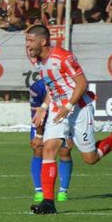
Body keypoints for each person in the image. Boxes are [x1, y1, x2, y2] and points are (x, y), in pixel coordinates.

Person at [27, 25, 112, 215]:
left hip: (79, 108)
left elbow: (82, 84)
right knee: (49, 148)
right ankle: (48, 202)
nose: (27, 45)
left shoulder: (63, 56)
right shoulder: (38, 61)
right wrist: (44, 107)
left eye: (30, 41)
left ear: (42, 41)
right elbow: (53, 87)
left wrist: (68, 106)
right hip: (57, 109)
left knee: (90, 158)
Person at [27, 75, 73, 203]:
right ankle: (39, 191)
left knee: (65, 151)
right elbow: (36, 113)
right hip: (42, 118)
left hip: (64, 117)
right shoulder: (37, 88)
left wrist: (71, 132)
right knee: (38, 149)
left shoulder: (68, 85)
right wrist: (39, 136)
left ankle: (63, 191)